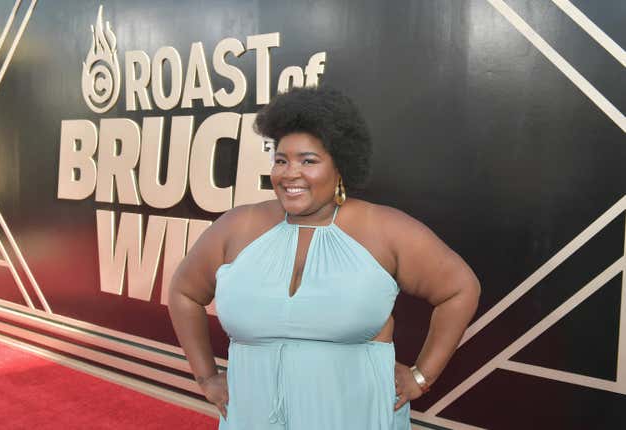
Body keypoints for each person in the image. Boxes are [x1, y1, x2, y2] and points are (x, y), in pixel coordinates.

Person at [168, 86, 480, 429]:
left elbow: (459, 289)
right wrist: (206, 378)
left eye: (308, 161)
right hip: (254, 417)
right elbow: (184, 293)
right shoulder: (236, 226)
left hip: (354, 416)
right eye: (281, 160)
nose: (290, 173)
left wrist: (422, 376)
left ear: (341, 166)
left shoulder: (385, 229)